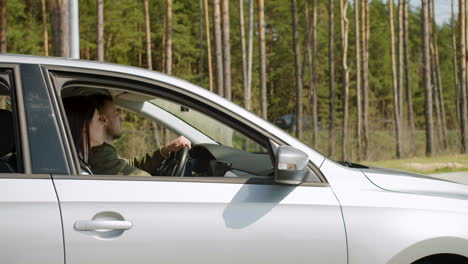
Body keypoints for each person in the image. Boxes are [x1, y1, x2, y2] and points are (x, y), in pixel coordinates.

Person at [88, 94, 191, 176]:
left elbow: (130, 165)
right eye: (116, 114)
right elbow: (149, 184)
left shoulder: (106, 156)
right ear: (103, 120)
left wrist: (165, 149)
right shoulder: (101, 159)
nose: (122, 118)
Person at [63, 96, 105, 174]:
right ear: (84, 126)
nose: (103, 124)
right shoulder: (79, 171)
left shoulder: (74, 164)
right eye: (99, 119)